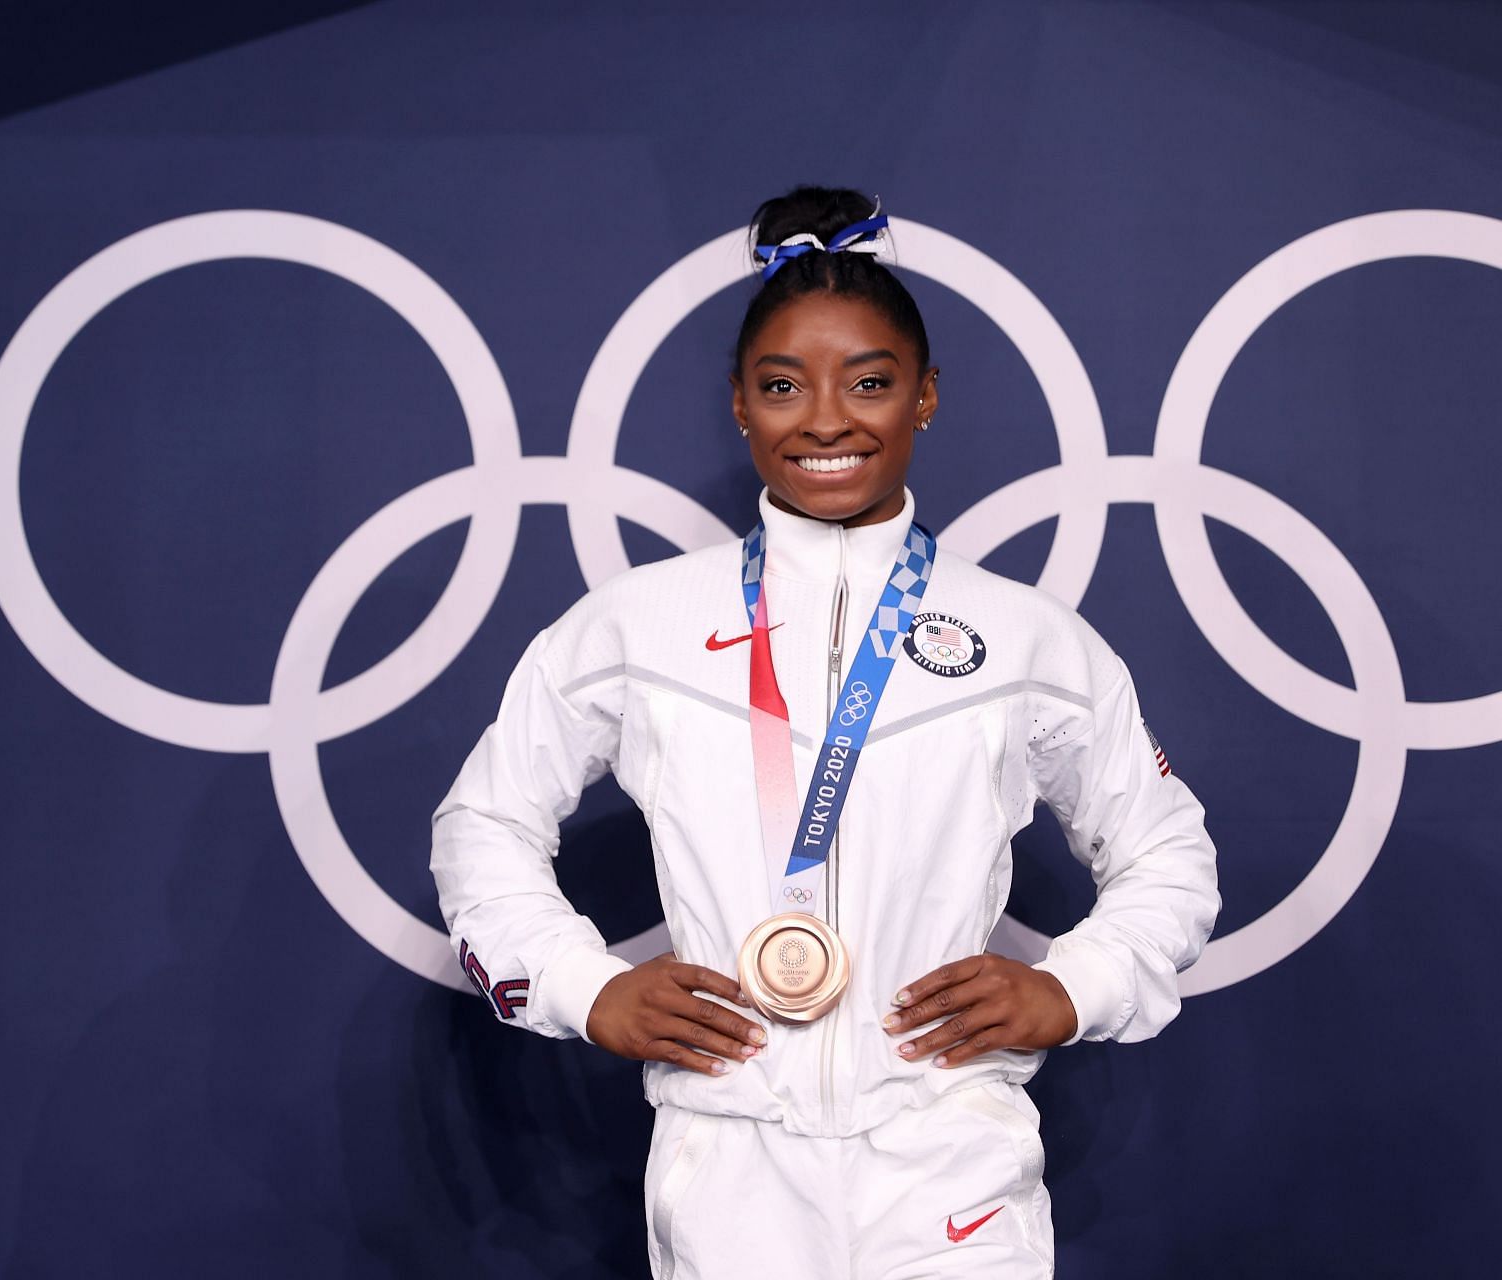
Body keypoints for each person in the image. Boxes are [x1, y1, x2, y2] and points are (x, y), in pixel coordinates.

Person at [429, 185, 1220, 1279]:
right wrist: (579, 983)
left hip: (953, 1160)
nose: (829, 419)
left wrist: (1077, 984)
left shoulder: (1027, 635)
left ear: (927, 397)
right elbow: (483, 822)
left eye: (873, 382)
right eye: (784, 385)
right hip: (728, 1165)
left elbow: (1169, 851)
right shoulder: (635, 623)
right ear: (741, 404)